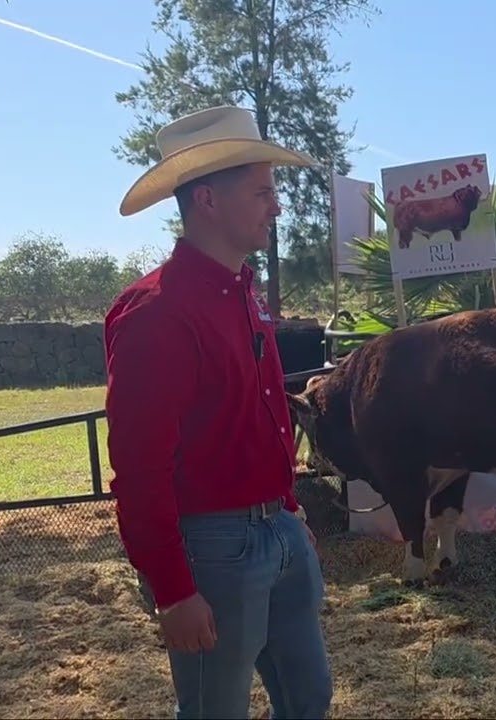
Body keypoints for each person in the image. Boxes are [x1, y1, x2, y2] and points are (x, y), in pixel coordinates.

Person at [104, 105, 333, 719]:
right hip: (212, 543)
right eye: (263, 192)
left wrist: (287, 511)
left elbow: (257, 416)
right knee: (214, 711)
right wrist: (174, 589)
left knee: (310, 698)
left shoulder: (242, 293)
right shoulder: (157, 314)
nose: (276, 207)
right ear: (207, 199)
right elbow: (139, 463)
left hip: (277, 529)